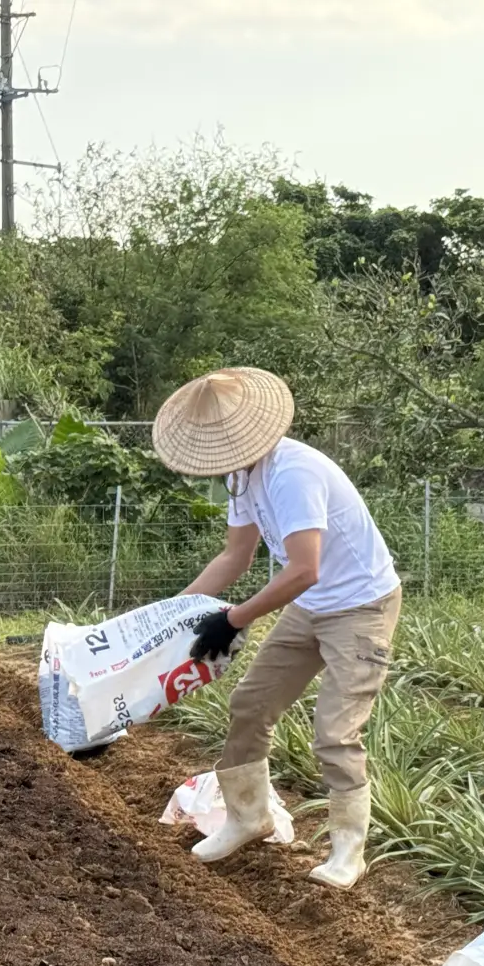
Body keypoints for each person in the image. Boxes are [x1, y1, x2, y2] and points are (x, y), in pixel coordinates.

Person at [152, 366, 402, 890]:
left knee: (335, 730)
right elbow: (235, 555)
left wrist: (235, 618)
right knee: (250, 703)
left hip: (360, 606)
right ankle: (248, 817)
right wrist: (172, 615)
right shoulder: (243, 475)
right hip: (311, 603)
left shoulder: (293, 473)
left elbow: (303, 567)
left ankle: (347, 851)